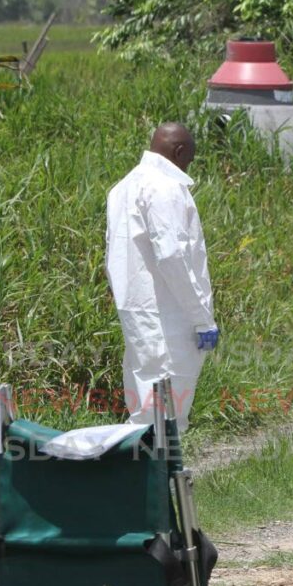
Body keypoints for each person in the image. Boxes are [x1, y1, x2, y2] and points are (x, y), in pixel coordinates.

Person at [106, 123, 218, 432]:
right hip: (169, 314)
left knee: (144, 400)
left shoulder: (122, 188)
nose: (188, 167)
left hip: (135, 309)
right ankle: (163, 475)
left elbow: (112, 254)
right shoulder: (165, 187)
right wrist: (202, 319)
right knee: (168, 410)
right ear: (179, 152)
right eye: (189, 160)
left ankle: (142, 474)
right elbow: (171, 256)